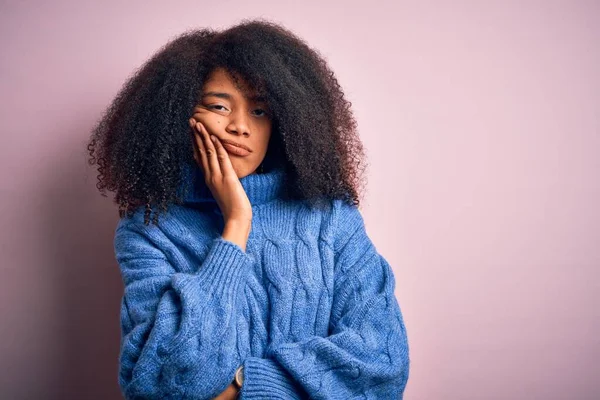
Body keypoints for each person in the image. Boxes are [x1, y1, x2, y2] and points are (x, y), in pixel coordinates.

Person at [87, 18, 410, 399]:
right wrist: (236, 226)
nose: (241, 126)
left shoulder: (330, 219)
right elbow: (164, 384)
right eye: (219, 106)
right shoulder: (148, 231)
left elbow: (383, 363)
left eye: (259, 111)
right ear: (177, 115)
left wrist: (245, 384)